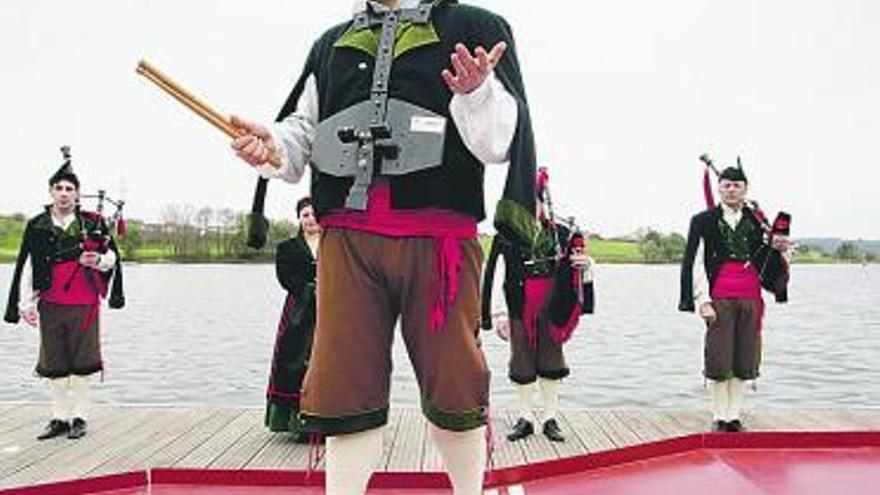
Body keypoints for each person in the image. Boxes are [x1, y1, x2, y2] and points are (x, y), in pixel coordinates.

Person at [230, 1, 538, 492]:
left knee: (455, 386)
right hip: (347, 244)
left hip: (439, 242)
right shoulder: (330, 43)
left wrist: (477, 93)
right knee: (344, 388)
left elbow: (499, 144)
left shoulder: (477, 28)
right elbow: (301, 135)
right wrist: (272, 146)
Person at [4, 147, 124, 440]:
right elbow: (28, 267)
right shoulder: (37, 225)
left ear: (78, 194)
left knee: (83, 362)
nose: (63, 193)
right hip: (50, 303)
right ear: (50, 192)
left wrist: (97, 260)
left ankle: (79, 417)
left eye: (69, 188)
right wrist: (25, 304)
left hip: (84, 303)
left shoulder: (94, 223)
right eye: (58, 188)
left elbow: (112, 259)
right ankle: (58, 418)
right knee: (54, 362)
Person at [481, 168, 595, 443]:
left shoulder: (564, 232)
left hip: (553, 303)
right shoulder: (507, 234)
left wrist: (588, 267)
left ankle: (549, 417)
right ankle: (526, 417)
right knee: (521, 360)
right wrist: (497, 314)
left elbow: (577, 269)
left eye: (535, 201)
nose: (532, 207)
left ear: (543, 201)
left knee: (552, 359)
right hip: (518, 304)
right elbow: (496, 274)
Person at [679, 158, 791, 432]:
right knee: (719, 356)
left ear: (745, 189)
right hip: (719, 295)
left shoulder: (757, 221)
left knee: (745, 355)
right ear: (719, 188)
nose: (731, 190)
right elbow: (694, 261)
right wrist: (701, 301)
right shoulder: (703, 220)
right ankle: (719, 416)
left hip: (751, 297)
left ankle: (734, 416)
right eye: (726, 185)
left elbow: (768, 259)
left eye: (737, 186)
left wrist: (780, 247)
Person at [264, 197, 321, 442]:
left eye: (314, 214)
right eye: (305, 215)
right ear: (299, 218)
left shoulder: (336, 244)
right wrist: (309, 289)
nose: (310, 219)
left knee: (331, 360)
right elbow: (285, 277)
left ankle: (330, 419)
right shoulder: (287, 247)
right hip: (299, 309)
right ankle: (295, 421)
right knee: (294, 359)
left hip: (332, 308)